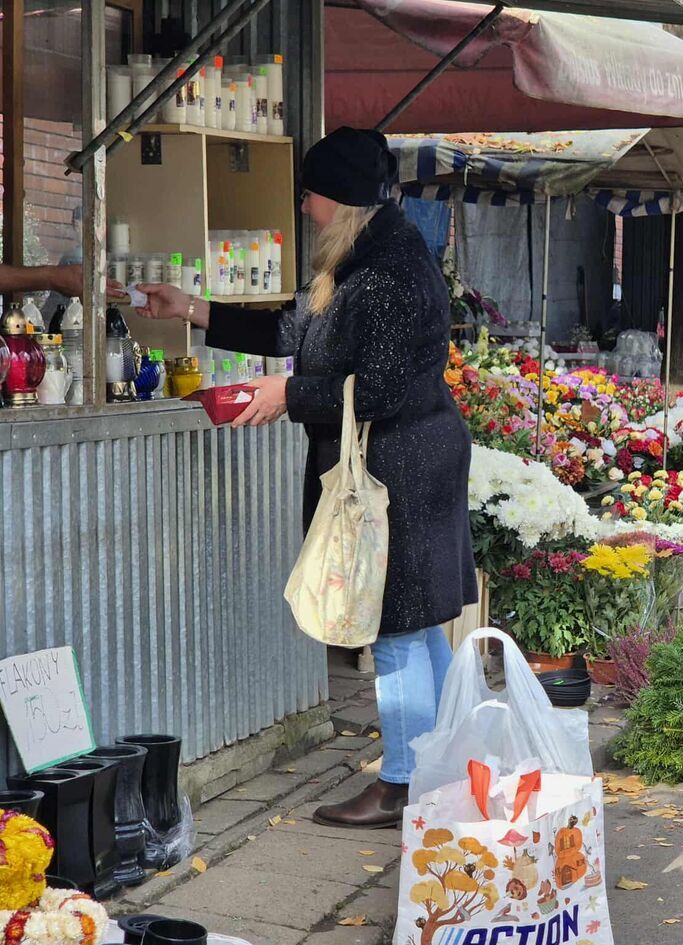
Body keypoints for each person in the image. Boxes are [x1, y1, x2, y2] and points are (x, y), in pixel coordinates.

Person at [135, 127, 478, 828]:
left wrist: (285, 396)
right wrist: (193, 309)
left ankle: (404, 783)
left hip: (400, 465)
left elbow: (374, 387)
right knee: (420, 628)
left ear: (343, 200)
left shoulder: (385, 276)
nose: (303, 204)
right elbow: (298, 331)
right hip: (414, 455)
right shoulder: (365, 255)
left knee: (396, 628)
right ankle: (455, 764)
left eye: (312, 193)